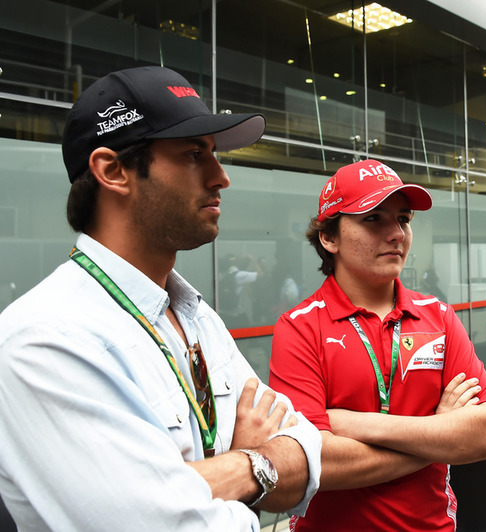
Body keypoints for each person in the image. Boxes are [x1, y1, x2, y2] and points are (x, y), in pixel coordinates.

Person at [0, 66, 321, 531]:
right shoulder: (45, 341)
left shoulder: (195, 316)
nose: (220, 178)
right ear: (112, 171)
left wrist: (237, 468)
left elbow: (307, 451)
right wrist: (261, 465)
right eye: (194, 154)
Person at [268, 159, 486, 531]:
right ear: (329, 238)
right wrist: (438, 433)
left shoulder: (439, 317)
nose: (397, 233)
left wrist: (357, 425)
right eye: (373, 218)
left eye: (404, 219)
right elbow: (315, 462)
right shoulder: (301, 328)